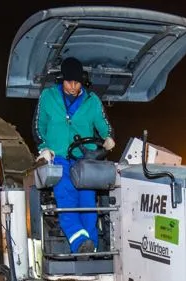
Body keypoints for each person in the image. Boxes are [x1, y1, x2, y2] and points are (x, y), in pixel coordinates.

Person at [33, 56, 115, 253]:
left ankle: (92, 248)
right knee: (67, 201)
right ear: (62, 80)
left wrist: (109, 137)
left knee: (88, 205)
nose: (73, 86)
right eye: (69, 81)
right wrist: (43, 147)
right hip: (59, 159)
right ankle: (80, 243)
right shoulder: (48, 97)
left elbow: (104, 126)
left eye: (77, 82)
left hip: (85, 161)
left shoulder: (92, 100)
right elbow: (38, 126)